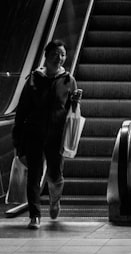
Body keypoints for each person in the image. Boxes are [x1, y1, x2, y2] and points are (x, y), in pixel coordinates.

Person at [12, 39, 82, 229]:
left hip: (57, 136)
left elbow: (71, 110)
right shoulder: (34, 78)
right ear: (46, 55)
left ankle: (54, 200)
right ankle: (35, 216)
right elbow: (22, 110)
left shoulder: (69, 80)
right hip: (34, 134)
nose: (59, 58)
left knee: (55, 174)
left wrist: (75, 102)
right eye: (55, 54)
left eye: (63, 55)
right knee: (34, 175)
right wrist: (18, 141)